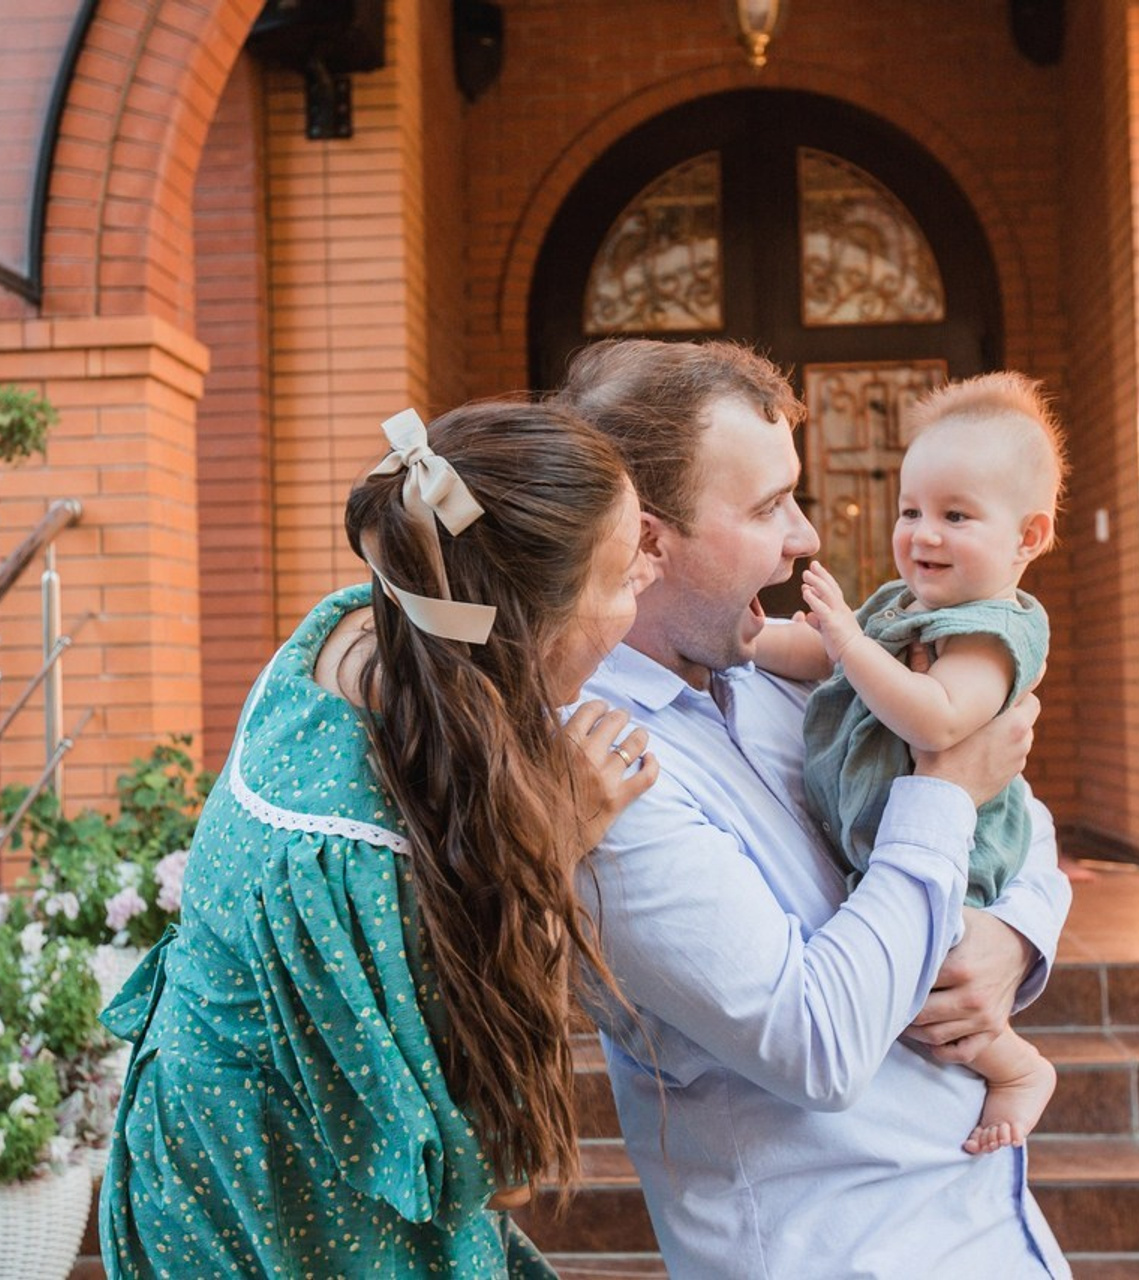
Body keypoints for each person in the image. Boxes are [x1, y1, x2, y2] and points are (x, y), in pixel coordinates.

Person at [98, 400, 658, 1278]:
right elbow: (492, 1160)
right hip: (298, 1230)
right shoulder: (362, 866)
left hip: (206, 1172)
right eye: (624, 575)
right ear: (521, 622)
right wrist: (555, 841)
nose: (646, 587)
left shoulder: (357, 624)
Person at [555, 339, 1072, 1280]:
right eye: (767, 508)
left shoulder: (771, 676)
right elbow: (817, 1047)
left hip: (991, 1229)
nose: (806, 539)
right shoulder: (602, 776)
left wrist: (1012, 935)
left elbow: (1018, 813)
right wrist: (945, 789)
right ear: (647, 541)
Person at [757, 371, 1066, 1156]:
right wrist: (760, 640)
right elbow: (816, 658)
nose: (923, 534)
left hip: (956, 857)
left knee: (939, 982)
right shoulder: (904, 604)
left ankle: (1019, 1065)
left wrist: (850, 643)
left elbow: (935, 720)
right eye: (911, 511)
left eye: (956, 516)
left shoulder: (990, 636)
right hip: (887, 840)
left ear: (1027, 537)